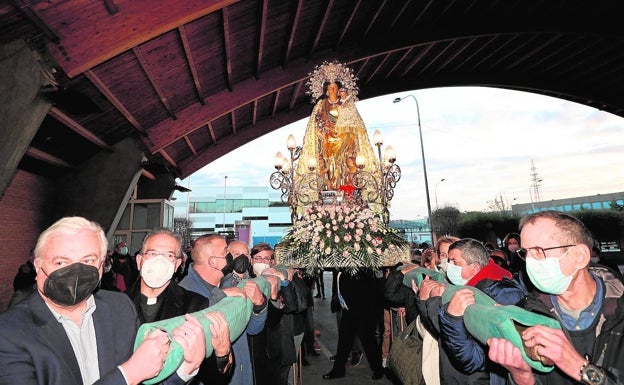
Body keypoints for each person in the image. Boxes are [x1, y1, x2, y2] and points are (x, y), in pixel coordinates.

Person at [0, 216, 205, 385]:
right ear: (38, 266)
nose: (76, 271)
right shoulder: (8, 333)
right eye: (61, 261)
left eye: (87, 260)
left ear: (101, 266)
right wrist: (127, 375)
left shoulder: (119, 308)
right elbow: (135, 373)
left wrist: (186, 368)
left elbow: (146, 375)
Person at [487, 211, 624, 385]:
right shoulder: (526, 315)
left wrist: (579, 368)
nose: (529, 261)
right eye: (526, 252)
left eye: (539, 251)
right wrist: (521, 376)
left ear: (579, 256)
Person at [127, 228, 234, 384]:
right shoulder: (116, 304)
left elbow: (213, 378)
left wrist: (222, 354)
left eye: (169, 255)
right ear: (139, 260)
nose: (159, 261)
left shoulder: (196, 305)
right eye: (152, 253)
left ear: (177, 264)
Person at [179, 233, 268, 385]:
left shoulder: (231, 284)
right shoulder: (185, 294)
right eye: (226, 252)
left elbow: (253, 328)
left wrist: (260, 304)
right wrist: (218, 296)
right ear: (213, 262)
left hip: (241, 373)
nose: (231, 257)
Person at [296, 61, 378, 199]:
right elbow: (315, 123)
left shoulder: (345, 104)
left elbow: (355, 123)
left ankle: (348, 187)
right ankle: (330, 188)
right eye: (330, 88)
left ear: (339, 89)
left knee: (346, 163)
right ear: (326, 90)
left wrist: (346, 108)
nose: (333, 90)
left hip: (344, 139)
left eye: (335, 87)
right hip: (327, 139)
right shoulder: (321, 105)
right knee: (329, 164)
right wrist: (324, 129)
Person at [323, 268, 385, 380]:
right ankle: (338, 370)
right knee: (344, 340)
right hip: (349, 307)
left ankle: (378, 369)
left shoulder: (367, 268)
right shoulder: (345, 267)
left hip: (366, 306)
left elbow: (375, 285)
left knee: (368, 340)